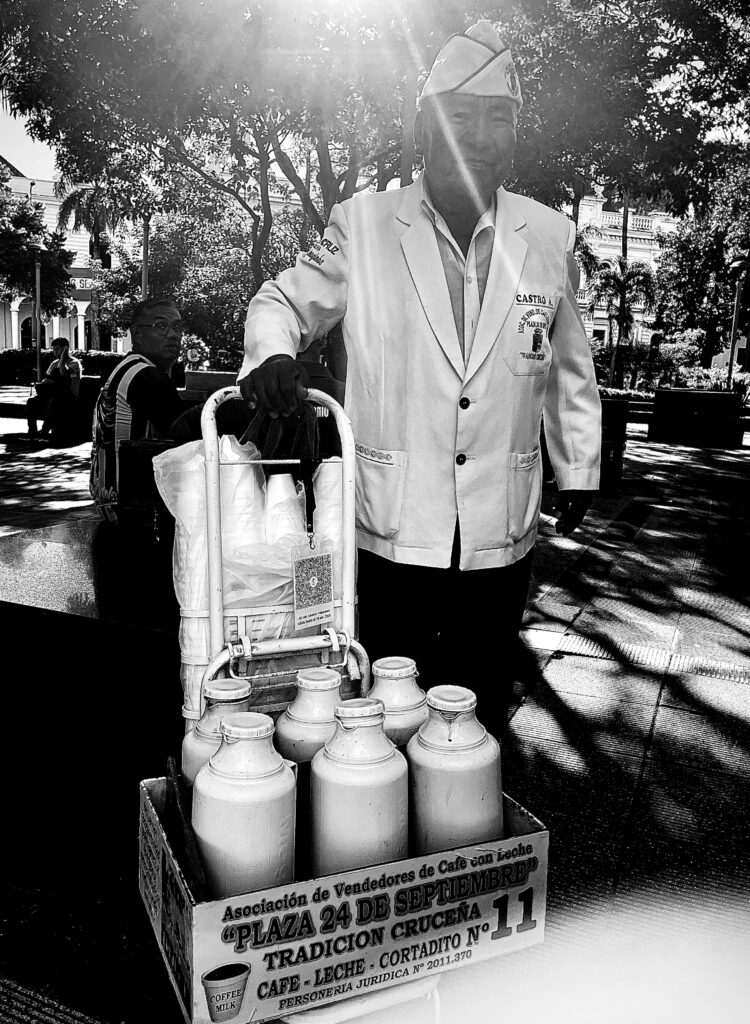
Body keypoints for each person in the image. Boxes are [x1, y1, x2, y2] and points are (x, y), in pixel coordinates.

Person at [238, 22, 601, 729]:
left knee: (480, 703)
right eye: (460, 116)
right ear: (424, 130)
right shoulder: (364, 226)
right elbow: (281, 300)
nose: (480, 134)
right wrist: (274, 353)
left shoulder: (549, 236)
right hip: (393, 524)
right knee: (382, 709)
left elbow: (570, 366)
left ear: (515, 136)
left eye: (499, 118)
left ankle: (468, 825)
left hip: (501, 520)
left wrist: (579, 464)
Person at [90, 297, 186, 522]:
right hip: (134, 511)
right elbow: (188, 437)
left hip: (108, 500)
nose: (173, 334)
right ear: (137, 335)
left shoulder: (127, 368)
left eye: (178, 327)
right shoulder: (146, 376)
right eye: (161, 326)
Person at [26, 337, 82, 441]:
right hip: (52, 392)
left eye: (57, 349)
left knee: (52, 403)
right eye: (54, 349)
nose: (55, 351)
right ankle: (32, 431)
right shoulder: (54, 363)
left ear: (65, 348)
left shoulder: (74, 363)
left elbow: (63, 372)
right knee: (32, 402)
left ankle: (44, 431)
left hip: (68, 395)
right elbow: (47, 378)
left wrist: (63, 358)